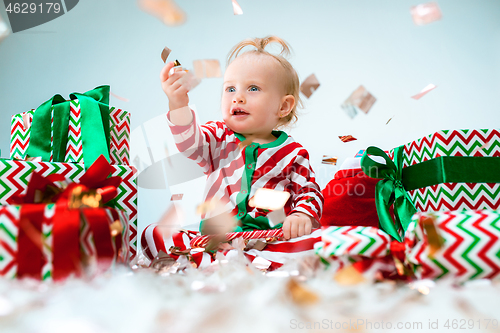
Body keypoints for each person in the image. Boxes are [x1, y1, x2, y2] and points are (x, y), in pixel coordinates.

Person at [159, 36, 324, 242]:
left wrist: (301, 215)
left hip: (271, 237)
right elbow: (189, 143)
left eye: (253, 88)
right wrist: (178, 104)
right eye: (230, 89)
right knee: (158, 235)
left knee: (308, 244)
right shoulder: (218, 137)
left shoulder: (293, 153)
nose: (238, 97)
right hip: (217, 239)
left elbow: (309, 191)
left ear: (283, 107)